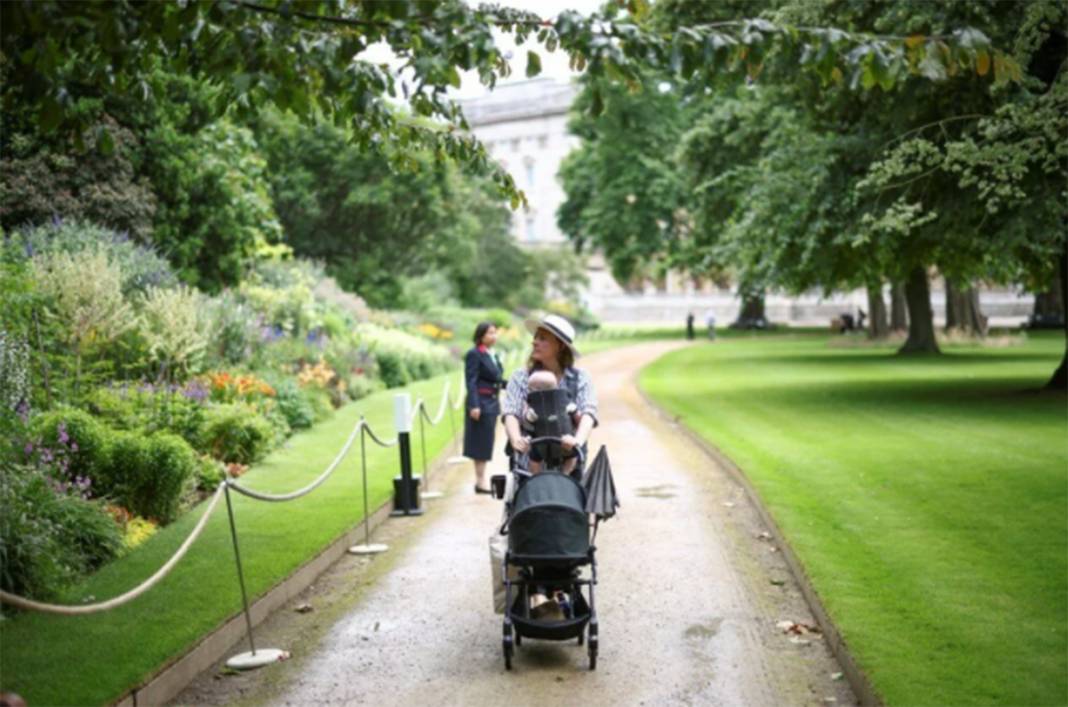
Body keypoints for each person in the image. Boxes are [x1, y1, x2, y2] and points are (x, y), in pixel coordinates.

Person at [502, 314, 598, 476]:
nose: (534, 342)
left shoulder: (580, 378)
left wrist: (577, 441)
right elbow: (511, 413)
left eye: (543, 338)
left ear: (560, 346)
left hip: (569, 462)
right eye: (535, 337)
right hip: (528, 465)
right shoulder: (521, 377)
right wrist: (516, 438)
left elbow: (588, 414)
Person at [464, 321, 503, 494]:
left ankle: (481, 480)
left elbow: (496, 380)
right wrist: (474, 405)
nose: (493, 336)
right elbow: (471, 380)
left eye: (495, 333)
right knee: (480, 443)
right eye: (490, 333)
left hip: (492, 404)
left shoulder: (492, 354)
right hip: (481, 405)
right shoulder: (474, 354)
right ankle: (480, 481)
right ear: (481, 336)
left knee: (486, 442)